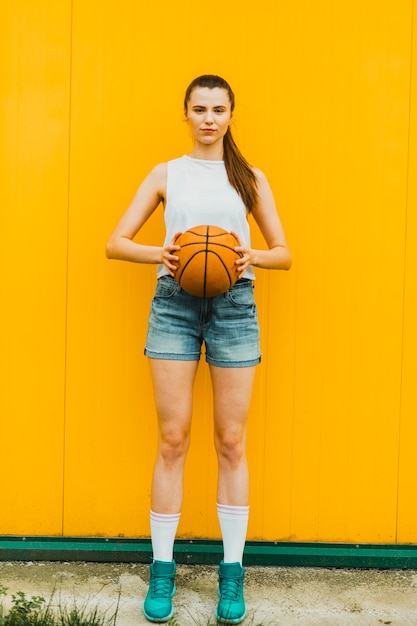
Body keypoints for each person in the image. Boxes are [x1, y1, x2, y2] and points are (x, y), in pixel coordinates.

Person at [106, 74, 292, 624]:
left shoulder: (250, 178)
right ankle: (162, 569)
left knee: (232, 440)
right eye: (199, 108)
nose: (209, 118)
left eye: (219, 109)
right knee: (172, 438)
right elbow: (114, 242)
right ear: (184, 114)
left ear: (232, 115)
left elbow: (284, 252)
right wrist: (160, 254)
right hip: (174, 304)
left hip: (235, 306)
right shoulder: (167, 174)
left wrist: (249, 257)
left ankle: (231, 575)